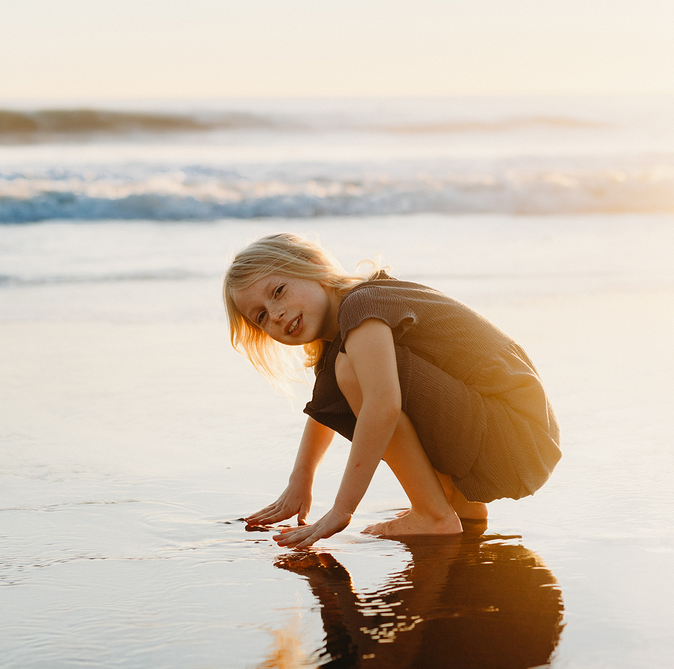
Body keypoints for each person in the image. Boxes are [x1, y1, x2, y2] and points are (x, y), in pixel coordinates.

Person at [224, 233, 560, 549]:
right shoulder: (344, 333)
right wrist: (302, 478)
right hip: (520, 441)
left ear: (315, 267)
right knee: (348, 372)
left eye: (279, 290)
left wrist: (342, 510)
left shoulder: (361, 305)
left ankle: (432, 513)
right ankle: (457, 505)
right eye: (261, 316)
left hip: (517, 438)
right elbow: (323, 412)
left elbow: (383, 406)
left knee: (354, 372)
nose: (277, 314)